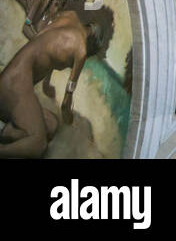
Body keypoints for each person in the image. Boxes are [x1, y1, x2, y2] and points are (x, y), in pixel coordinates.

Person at [0, 9, 109, 158]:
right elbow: (66, 103)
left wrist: (46, 83)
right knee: (39, 144)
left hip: (10, 80)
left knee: (51, 124)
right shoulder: (81, 50)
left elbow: (47, 49)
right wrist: (70, 119)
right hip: (14, 87)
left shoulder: (68, 16)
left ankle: (7, 133)